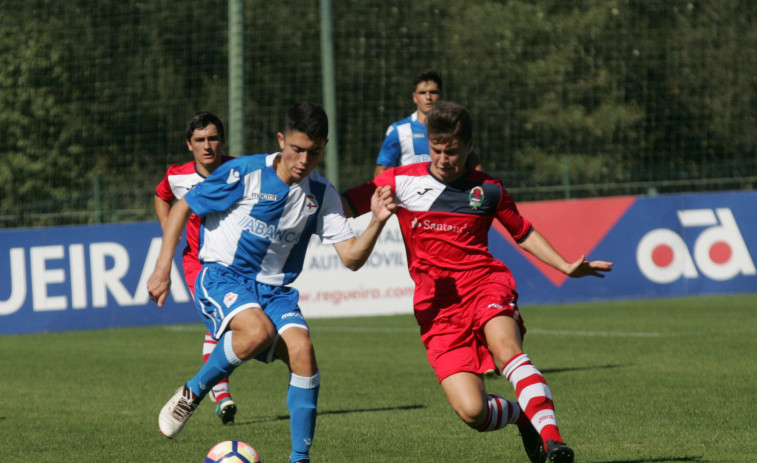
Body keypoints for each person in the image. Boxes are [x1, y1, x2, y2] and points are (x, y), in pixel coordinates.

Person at [342, 101, 613, 463]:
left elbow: (523, 232)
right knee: (473, 412)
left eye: (451, 151)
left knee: (507, 351)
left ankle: (554, 440)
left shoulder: (488, 190)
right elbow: (343, 204)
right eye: (436, 150)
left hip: (484, 286)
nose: (442, 158)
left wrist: (564, 265)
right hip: (436, 309)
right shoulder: (399, 181)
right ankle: (523, 418)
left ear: (469, 146)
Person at [147, 102, 396, 463]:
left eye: (314, 152)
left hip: (276, 292)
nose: (303, 160)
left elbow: (351, 259)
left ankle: (300, 459)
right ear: (282, 140)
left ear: (323, 147)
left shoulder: (322, 194)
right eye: (296, 149)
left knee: (303, 352)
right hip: (222, 275)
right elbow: (183, 206)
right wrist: (161, 269)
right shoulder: (245, 172)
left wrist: (377, 222)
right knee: (257, 332)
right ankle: (193, 392)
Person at [154, 111, 238, 425]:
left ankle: (216, 390)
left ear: (223, 141)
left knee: (236, 328)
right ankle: (220, 393)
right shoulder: (177, 176)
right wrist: (169, 233)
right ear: (189, 145)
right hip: (198, 265)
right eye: (200, 140)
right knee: (224, 323)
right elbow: (161, 196)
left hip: (238, 264)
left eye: (213, 138)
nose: (207, 146)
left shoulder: (240, 171)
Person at [374, 68, 480, 178]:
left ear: (441, 95)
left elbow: (474, 164)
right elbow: (382, 170)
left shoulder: (454, 127)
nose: (428, 97)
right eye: (422, 93)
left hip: (447, 192)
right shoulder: (399, 130)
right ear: (414, 97)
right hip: (411, 194)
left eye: (433, 92)